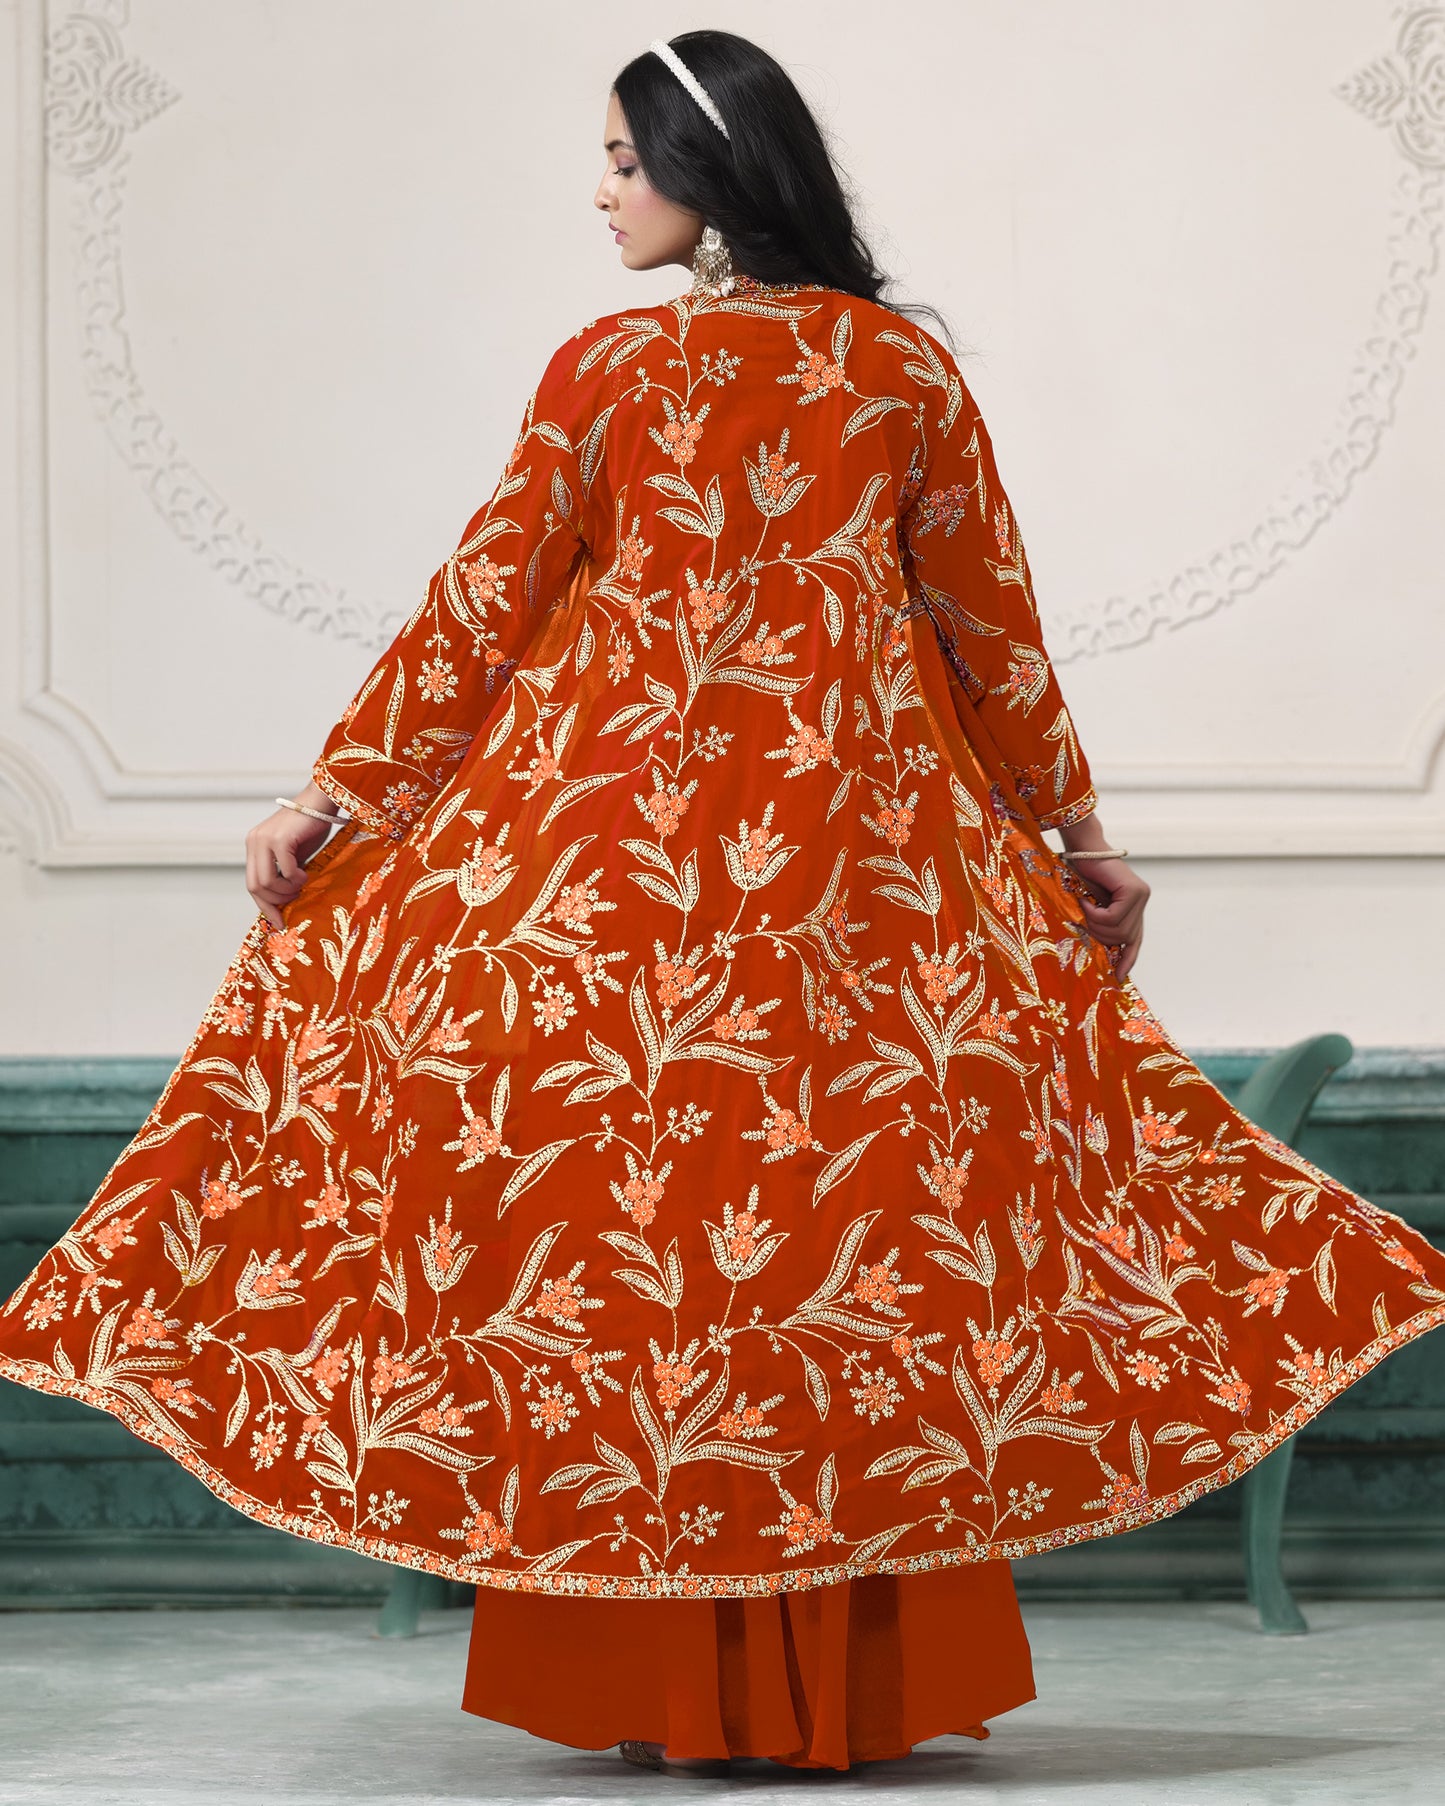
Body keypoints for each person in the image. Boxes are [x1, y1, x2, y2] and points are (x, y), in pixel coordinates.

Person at [3, 25, 1443, 1780]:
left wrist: (337, 794)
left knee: (656, 1267)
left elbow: (484, 609)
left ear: (708, 168)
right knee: (842, 1247)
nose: (598, 190)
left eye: (620, 158)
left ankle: (654, 1693)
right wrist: (1073, 830)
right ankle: (843, 1689)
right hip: (862, 893)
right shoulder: (898, 373)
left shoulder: (605, 374)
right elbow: (989, 629)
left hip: (620, 899)